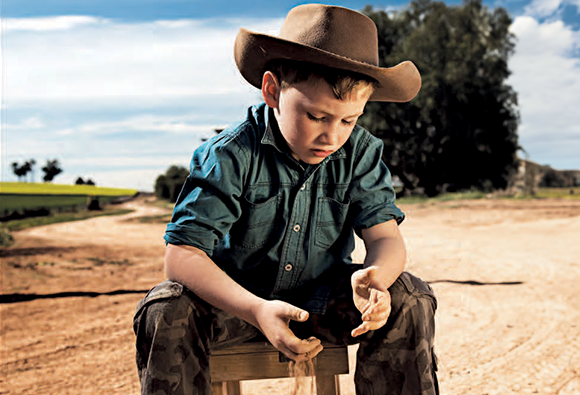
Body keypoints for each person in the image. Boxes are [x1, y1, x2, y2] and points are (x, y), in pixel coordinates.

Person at [133, 4, 439, 395]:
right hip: (235, 307)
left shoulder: (360, 153)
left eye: (349, 120)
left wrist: (375, 278)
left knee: (409, 297)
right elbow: (180, 256)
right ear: (273, 91)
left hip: (322, 304)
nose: (332, 136)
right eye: (316, 116)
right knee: (165, 306)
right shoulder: (230, 154)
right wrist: (257, 308)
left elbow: (385, 239)